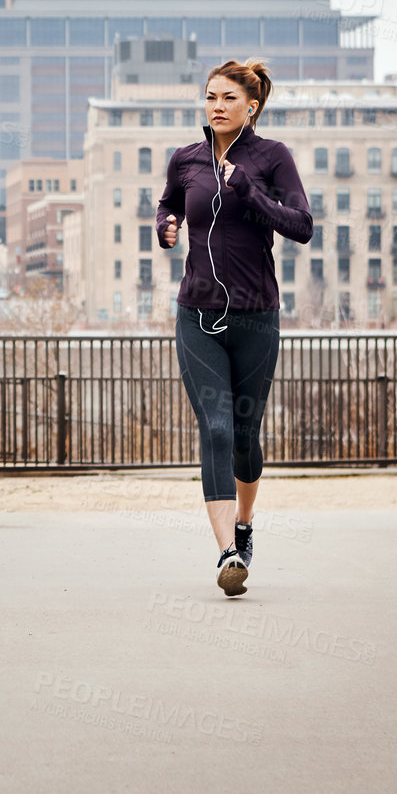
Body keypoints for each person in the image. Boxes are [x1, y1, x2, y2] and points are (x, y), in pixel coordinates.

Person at [156, 58, 312, 597]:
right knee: (217, 428)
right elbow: (168, 203)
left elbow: (302, 226)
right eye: (210, 97)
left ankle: (245, 526)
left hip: (256, 316)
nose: (216, 106)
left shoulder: (273, 158)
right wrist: (165, 226)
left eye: (227, 98)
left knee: (245, 438)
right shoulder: (187, 159)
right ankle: (226, 553)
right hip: (197, 313)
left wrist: (249, 192)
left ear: (252, 106)